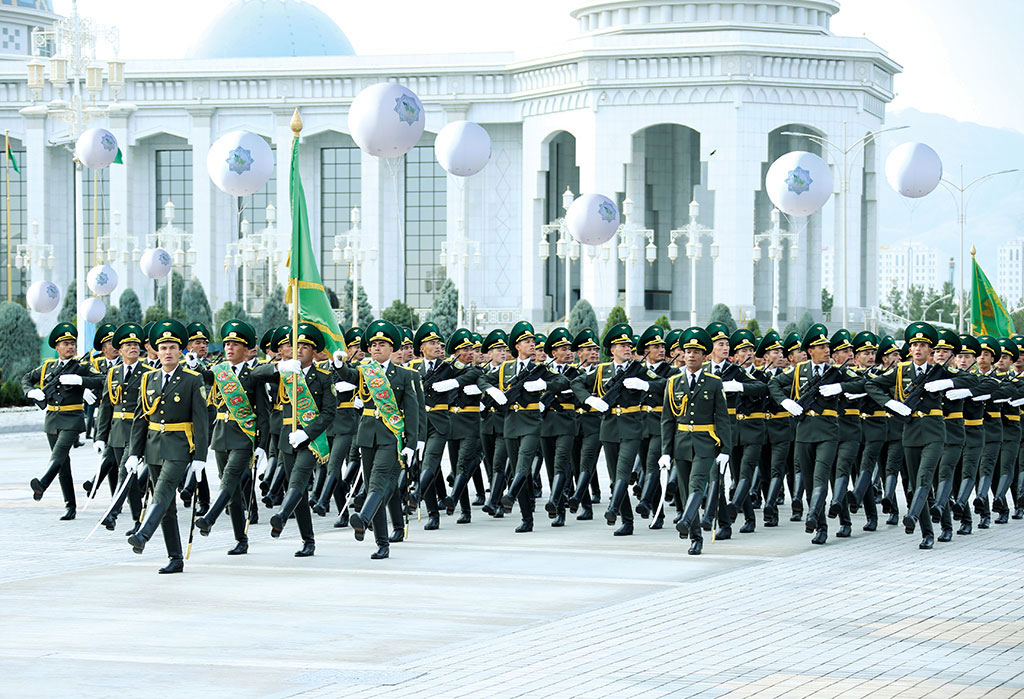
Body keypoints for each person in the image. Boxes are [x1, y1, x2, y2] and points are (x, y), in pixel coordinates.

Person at [865, 322, 973, 549]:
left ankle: (912, 516)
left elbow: (973, 380)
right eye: (914, 345)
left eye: (922, 345)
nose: (917, 349)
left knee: (925, 477)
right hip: (910, 431)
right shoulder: (901, 370)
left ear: (930, 350)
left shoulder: (941, 370)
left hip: (935, 430)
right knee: (916, 483)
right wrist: (891, 403)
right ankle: (928, 531)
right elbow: (872, 385)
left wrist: (949, 382)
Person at [125, 319, 210, 574]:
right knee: (167, 506)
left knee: (162, 492)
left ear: (180, 350)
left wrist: (200, 457)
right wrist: (133, 453)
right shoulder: (148, 379)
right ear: (156, 351)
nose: (168, 352)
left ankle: (143, 535)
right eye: (163, 348)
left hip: (179, 446)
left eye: (173, 347)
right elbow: (141, 419)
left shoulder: (192, 379)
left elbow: (201, 421)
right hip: (153, 447)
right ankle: (175, 557)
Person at [333, 320, 421, 559]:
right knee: (377, 486)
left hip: (390, 435)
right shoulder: (364, 370)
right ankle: (382, 543)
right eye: (373, 345)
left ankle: (363, 517)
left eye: (382, 344)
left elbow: (412, 412)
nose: (377, 348)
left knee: (378, 482)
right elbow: (349, 375)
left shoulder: (404, 375)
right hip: (367, 435)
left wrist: (412, 444)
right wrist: (339, 363)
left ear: (392, 349)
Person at [250, 323, 337, 557]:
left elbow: (329, 413)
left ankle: (281, 516)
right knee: (294, 489)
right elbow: (254, 375)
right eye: (297, 345)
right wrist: (280, 366)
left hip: (312, 439)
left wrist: (307, 433)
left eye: (306, 346)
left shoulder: (323, 378)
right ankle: (308, 540)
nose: (299, 350)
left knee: (298, 481)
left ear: (315, 351)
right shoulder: (286, 373)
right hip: (287, 438)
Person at [570, 323, 662, 537]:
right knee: (614, 478)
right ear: (612, 350)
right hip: (609, 427)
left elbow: (666, 383)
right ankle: (626, 521)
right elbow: (577, 382)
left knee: (623, 471)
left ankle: (612, 509)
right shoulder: (602, 370)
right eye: (622, 345)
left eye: (629, 345)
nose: (627, 348)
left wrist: (645, 385)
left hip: (632, 426)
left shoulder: (640, 370)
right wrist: (590, 399)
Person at [481, 321, 572, 533]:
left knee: (524, 463)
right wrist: (491, 391)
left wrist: (545, 385)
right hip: (510, 423)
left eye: (532, 340)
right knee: (517, 469)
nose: (532, 344)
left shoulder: (539, 369)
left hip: (532, 422)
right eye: (527, 341)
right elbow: (483, 378)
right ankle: (526, 517)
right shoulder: (505, 369)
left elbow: (563, 381)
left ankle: (510, 495)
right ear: (517, 347)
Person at [194, 320, 270, 555]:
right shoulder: (218, 372)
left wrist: (262, 445)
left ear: (247, 349)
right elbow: (203, 378)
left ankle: (210, 518)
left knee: (229, 480)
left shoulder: (253, 374)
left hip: (243, 437)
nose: (229, 347)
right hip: (221, 435)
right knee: (233, 492)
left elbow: (263, 412)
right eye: (227, 343)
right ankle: (241, 539)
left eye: (235, 344)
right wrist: (194, 365)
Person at [660, 327, 732, 555]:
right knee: (684, 490)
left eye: (695, 352)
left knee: (697, 485)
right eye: (687, 351)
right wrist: (665, 451)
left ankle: (686, 519)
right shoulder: (673, 382)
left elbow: (722, 419)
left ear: (704, 356)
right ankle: (696, 537)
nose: (690, 355)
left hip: (705, 441)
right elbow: (667, 420)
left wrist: (725, 449)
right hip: (681, 442)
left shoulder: (713, 382)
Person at [24, 322, 104, 521]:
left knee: (58, 455)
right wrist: (31, 391)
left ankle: (42, 483)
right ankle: (70, 506)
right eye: (66, 343)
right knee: (63, 464)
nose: (71, 347)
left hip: (72, 419)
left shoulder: (82, 367)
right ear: (57, 347)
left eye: (72, 343)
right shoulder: (47, 368)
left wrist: (81, 382)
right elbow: (26, 379)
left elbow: (102, 379)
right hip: (52, 419)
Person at [94, 323, 156, 533]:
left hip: (138, 432)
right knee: (130, 477)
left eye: (135, 344)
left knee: (124, 472)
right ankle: (139, 521)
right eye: (128, 345)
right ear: (119, 350)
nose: (133, 348)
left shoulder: (149, 373)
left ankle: (112, 513)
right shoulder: (113, 374)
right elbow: (106, 406)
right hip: (118, 431)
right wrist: (100, 437)